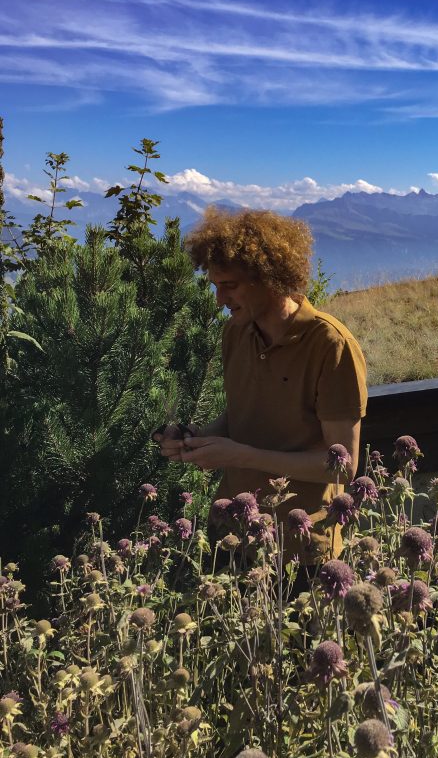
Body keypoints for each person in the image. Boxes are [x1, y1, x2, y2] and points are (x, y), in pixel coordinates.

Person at [154, 206, 367, 565]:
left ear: (269, 276)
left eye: (230, 286)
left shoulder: (330, 344)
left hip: (300, 544)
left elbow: (343, 466)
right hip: (233, 530)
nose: (220, 300)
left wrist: (238, 454)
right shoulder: (235, 333)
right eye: (215, 286)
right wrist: (197, 439)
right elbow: (242, 412)